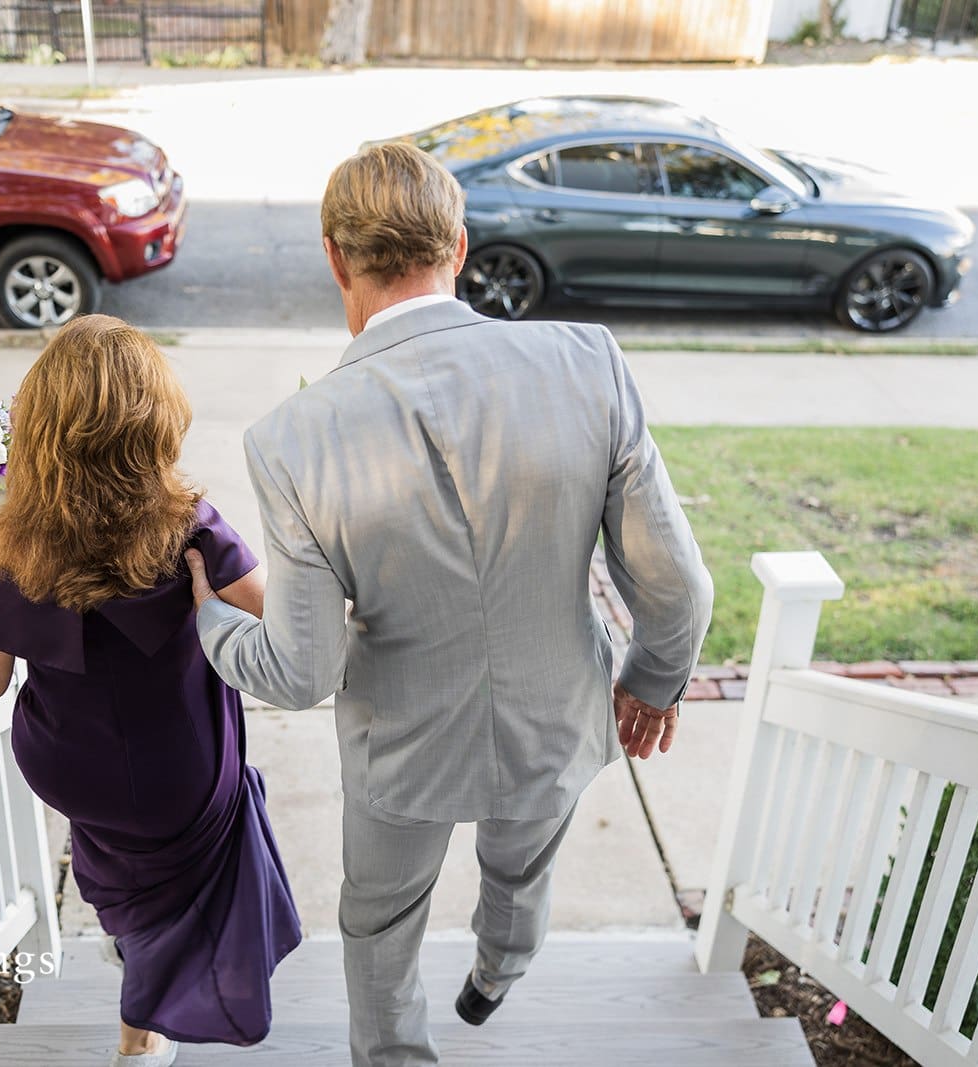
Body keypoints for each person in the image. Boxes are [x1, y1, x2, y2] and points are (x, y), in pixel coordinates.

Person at [185, 142, 713, 1066]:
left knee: (380, 920)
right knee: (520, 871)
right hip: (559, 723)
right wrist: (653, 680)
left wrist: (207, 615)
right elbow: (679, 585)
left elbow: (303, 670)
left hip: (403, 757)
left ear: (333, 257)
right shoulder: (587, 362)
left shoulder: (290, 440)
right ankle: (500, 972)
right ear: (459, 248)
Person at [0, 314, 301, 1067]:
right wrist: (211, 611)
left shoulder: (3, 545)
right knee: (173, 880)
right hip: (183, 764)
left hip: (76, 770)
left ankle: (135, 972)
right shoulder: (191, 527)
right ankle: (144, 1030)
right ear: (154, 419)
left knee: (120, 872)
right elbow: (292, 628)